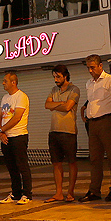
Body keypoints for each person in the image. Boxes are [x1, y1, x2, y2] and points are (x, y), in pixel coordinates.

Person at [79, 54, 111, 202]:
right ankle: (94, 190)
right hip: (93, 123)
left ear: (100, 66)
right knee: (95, 159)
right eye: (88, 68)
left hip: (106, 120)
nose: (90, 71)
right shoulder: (89, 83)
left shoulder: (110, 81)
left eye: (92, 67)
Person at [44, 65, 81, 202]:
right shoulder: (54, 90)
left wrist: (56, 104)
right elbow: (47, 105)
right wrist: (60, 103)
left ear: (65, 76)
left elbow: (68, 107)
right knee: (56, 163)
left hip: (68, 131)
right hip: (54, 131)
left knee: (71, 162)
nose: (56, 79)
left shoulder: (74, 89)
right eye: (54, 76)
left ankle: (70, 192)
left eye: (58, 76)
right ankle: (58, 193)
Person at [0, 71, 32, 204]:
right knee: (11, 167)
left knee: (22, 166)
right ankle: (16, 192)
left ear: (13, 82)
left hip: (19, 135)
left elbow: (17, 117)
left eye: (5, 81)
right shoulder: (5, 97)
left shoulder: (21, 96)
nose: (3, 83)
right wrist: (1, 132)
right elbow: (0, 115)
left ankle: (27, 194)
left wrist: (2, 129)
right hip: (6, 137)